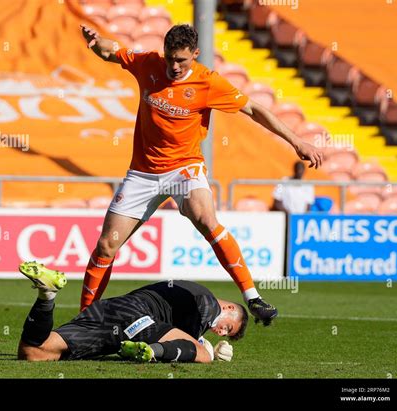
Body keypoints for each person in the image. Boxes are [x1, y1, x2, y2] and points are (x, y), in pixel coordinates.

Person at [78, 24, 323, 325]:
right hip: (143, 172)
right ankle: (85, 320)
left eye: (182, 60)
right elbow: (111, 51)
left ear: (195, 54)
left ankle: (253, 297)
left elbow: (256, 110)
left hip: (185, 168)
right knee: (106, 245)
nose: (174, 66)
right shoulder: (148, 63)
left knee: (207, 220)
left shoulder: (209, 83)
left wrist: (297, 141)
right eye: (170, 58)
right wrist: (95, 42)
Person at [17, 262, 246, 363]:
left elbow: (181, 328)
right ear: (229, 308)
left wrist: (201, 340)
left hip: (109, 309)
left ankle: (46, 296)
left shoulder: (190, 295)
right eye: (228, 327)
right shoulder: (207, 302)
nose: (222, 332)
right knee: (203, 356)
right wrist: (207, 349)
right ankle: (150, 351)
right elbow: (195, 333)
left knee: (36, 352)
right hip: (136, 317)